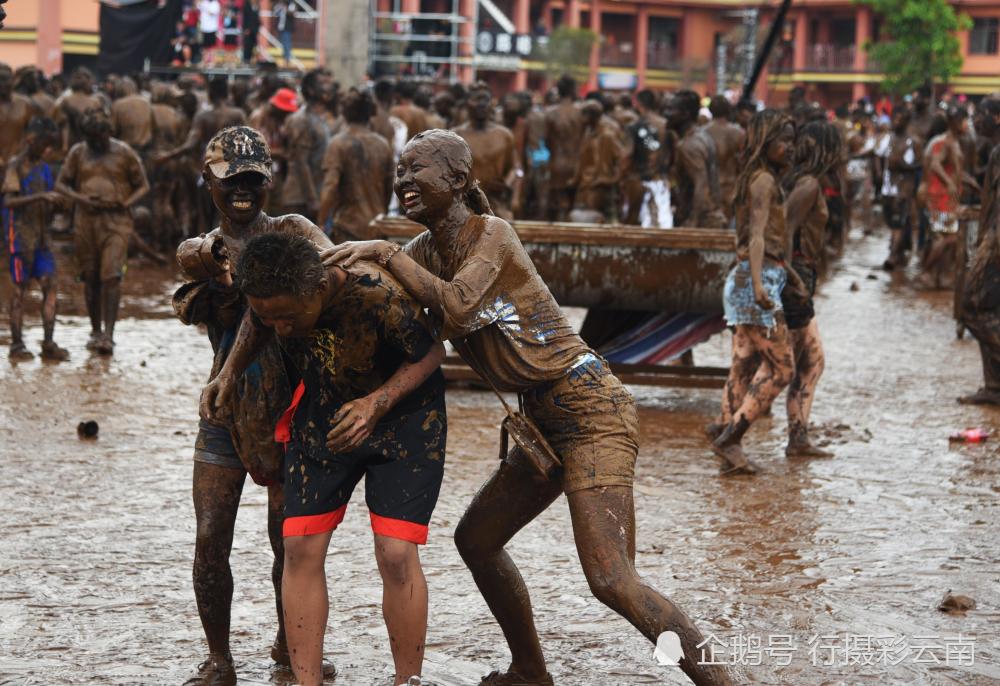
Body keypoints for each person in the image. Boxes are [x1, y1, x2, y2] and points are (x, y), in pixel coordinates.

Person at [321, 129, 733, 686]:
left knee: (611, 579)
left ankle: (724, 682)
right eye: (400, 171)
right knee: (477, 540)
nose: (402, 182)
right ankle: (531, 670)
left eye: (416, 170)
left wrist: (385, 252)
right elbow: (398, 319)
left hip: (590, 408)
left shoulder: (492, 234)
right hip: (541, 418)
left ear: (460, 181)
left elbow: (460, 307)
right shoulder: (424, 253)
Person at [205, 230, 446, 686]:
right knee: (299, 546)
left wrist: (376, 403)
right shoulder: (275, 305)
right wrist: (229, 373)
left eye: (289, 318)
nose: (281, 329)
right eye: (270, 317)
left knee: (395, 552)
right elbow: (258, 322)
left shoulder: (377, 295)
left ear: (317, 289)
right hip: (324, 412)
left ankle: (408, 680)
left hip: (405, 420)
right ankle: (306, 681)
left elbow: (433, 351)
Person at [172, 126, 335, 685]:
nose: (243, 191)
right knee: (210, 539)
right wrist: (210, 267)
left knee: (290, 544)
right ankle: (219, 658)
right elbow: (189, 276)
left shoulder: (293, 231)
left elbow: (335, 269)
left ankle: (291, 649)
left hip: (293, 410)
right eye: (231, 181)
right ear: (209, 183)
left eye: (253, 181)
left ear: (269, 182)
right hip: (225, 412)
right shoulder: (201, 254)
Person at [708, 110, 798, 474]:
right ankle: (731, 437)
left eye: (793, 140)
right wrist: (761, 286)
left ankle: (726, 437)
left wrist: (789, 275)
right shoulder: (763, 181)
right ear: (765, 142)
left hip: (752, 278)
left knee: (743, 363)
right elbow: (757, 236)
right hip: (753, 282)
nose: (790, 148)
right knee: (783, 369)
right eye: (783, 141)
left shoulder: (760, 178)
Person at [55, 108, 149, 355]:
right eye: (91, 139)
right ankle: (95, 330)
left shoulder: (125, 152)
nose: (96, 143)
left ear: (108, 133)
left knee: (111, 275)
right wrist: (81, 198)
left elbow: (142, 186)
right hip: (85, 219)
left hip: (116, 219)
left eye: (100, 137)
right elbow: (61, 184)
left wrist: (126, 203)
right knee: (90, 276)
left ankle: (109, 334)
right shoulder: (78, 152)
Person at [781, 120, 842, 458]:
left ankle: (797, 437)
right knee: (802, 363)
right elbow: (787, 228)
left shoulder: (798, 179)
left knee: (797, 363)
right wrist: (790, 278)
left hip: (797, 275)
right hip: (795, 276)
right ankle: (733, 430)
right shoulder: (808, 184)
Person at [3, 117, 68, 361]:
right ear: (32, 139)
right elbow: (9, 201)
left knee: (51, 287)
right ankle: (17, 344)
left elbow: (49, 200)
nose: (47, 149)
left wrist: (57, 205)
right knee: (19, 290)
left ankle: (48, 342)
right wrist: (42, 197)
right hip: (19, 238)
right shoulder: (15, 165)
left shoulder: (44, 167)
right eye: (44, 144)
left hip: (42, 239)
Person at [318, 88, 393, 242]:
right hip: (377, 227)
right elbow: (390, 186)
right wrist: (382, 213)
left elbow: (330, 186)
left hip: (347, 227)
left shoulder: (337, 144)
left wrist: (320, 221)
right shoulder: (383, 145)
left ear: (344, 113)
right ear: (370, 113)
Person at [452, 82, 521, 220]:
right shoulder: (456, 136)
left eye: (485, 100)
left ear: (492, 104)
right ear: (467, 104)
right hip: (464, 206)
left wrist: (507, 184)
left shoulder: (504, 135)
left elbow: (516, 169)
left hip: (495, 205)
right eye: (476, 99)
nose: (481, 104)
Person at [921, 106, 970, 289]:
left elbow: (956, 170)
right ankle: (926, 270)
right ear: (957, 122)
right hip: (941, 197)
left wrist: (969, 183)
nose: (968, 125)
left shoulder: (955, 142)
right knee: (948, 238)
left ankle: (938, 277)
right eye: (965, 121)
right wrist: (949, 183)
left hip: (949, 197)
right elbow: (935, 164)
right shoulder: (947, 142)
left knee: (946, 237)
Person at [666, 90, 727, 228]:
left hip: (703, 222)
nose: (666, 114)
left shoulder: (689, 145)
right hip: (710, 218)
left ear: (685, 114)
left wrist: (693, 221)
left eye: (671, 110)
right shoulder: (702, 136)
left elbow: (702, 184)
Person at [282, 68, 335, 221]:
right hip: (300, 199)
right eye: (323, 83)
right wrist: (312, 200)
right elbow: (301, 162)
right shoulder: (301, 120)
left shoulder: (320, 118)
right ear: (311, 91)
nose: (328, 87)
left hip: (315, 196)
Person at [882, 107, 922, 270]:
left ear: (906, 122)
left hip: (904, 187)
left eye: (900, 119)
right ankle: (900, 251)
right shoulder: (887, 139)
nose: (896, 122)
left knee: (898, 222)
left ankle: (892, 255)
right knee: (891, 222)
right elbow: (878, 156)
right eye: (894, 118)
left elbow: (921, 164)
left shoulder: (914, 141)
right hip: (887, 187)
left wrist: (904, 165)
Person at [624, 89, 671, 228]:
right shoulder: (666, 125)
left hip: (638, 182)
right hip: (662, 182)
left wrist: (621, 177)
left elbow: (627, 155)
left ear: (638, 104)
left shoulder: (634, 127)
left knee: (636, 228)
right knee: (662, 227)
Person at [573, 99, 624, 223]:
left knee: (595, 220)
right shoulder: (588, 133)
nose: (580, 118)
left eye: (583, 114)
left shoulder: (607, 135)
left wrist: (612, 179)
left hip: (599, 185)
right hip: (587, 183)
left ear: (591, 116)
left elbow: (622, 159)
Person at [544, 75, 584, 221]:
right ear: (573, 90)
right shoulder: (580, 113)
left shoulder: (549, 113)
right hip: (576, 164)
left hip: (557, 163)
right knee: (573, 206)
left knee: (557, 204)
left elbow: (547, 141)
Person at [705, 95, 746, 222]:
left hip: (710, 186)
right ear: (729, 111)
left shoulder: (703, 132)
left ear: (710, 110)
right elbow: (744, 161)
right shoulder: (738, 132)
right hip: (731, 186)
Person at [53, 67, 103, 154]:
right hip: (89, 149)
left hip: (68, 150)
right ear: (87, 83)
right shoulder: (95, 102)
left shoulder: (62, 101)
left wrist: (64, 146)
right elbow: (100, 128)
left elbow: (59, 125)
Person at [0, 63, 37, 171]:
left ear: (13, 81)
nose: (1, 83)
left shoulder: (25, 104)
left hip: (18, 165)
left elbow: (33, 135)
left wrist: (20, 157)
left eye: (5, 79)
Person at [199, 0, 222, 64]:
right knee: (204, 47)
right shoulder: (204, 2)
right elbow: (197, 6)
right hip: (204, 28)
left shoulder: (216, 3)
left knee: (212, 47)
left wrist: (204, 7)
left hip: (212, 28)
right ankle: (204, 60)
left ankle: (212, 61)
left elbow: (212, 13)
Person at [273, 0, 295, 66]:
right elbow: (275, 12)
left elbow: (292, 13)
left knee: (287, 44)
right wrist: (280, 7)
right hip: (281, 28)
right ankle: (285, 59)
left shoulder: (291, 4)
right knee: (283, 45)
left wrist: (285, 8)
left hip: (287, 29)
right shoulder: (279, 5)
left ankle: (287, 60)